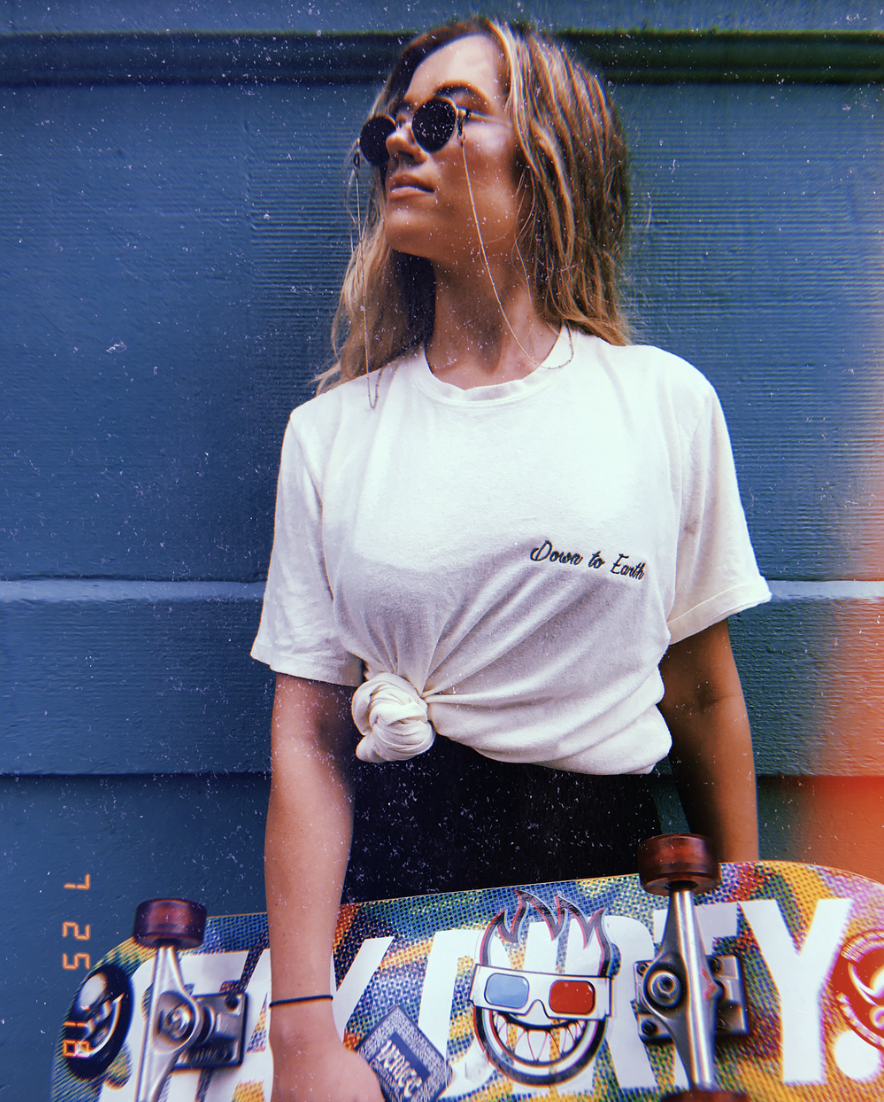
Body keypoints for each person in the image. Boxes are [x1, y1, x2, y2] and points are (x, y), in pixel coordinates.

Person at [250, 17, 771, 1101]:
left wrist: (740, 924)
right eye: (391, 123)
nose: (403, 139)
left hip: (622, 902)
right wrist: (301, 1026)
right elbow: (306, 736)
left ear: (547, 155)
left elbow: (704, 694)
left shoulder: (662, 407)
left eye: (448, 115)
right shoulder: (332, 435)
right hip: (400, 918)